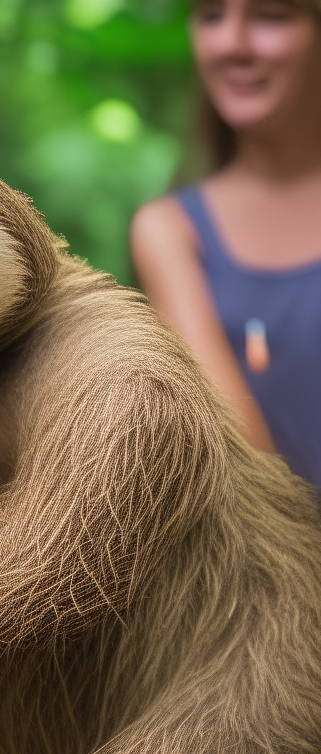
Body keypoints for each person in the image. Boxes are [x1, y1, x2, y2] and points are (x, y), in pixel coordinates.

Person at [131, 0, 321, 491]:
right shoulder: (169, 230)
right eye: (211, 15)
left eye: (271, 16)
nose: (231, 44)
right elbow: (250, 469)